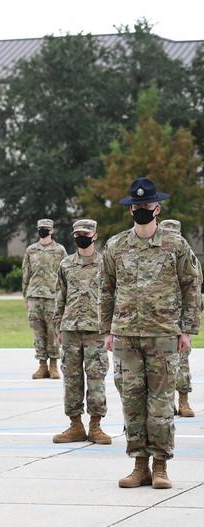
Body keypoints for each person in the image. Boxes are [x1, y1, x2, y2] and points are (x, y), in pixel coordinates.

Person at [101, 177, 200, 490]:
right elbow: (105, 289)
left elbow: (192, 286)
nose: (142, 209)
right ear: (131, 210)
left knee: (160, 405)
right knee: (132, 403)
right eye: (137, 205)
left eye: (147, 204)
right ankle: (138, 465)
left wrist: (187, 329)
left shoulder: (175, 245)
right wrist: (106, 330)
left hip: (163, 336)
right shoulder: (116, 246)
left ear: (157, 207)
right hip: (126, 337)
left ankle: (160, 467)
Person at [52, 220, 110, 445]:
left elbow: (112, 295)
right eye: (77, 234)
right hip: (70, 330)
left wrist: (110, 328)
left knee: (96, 378)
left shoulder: (105, 263)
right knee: (71, 379)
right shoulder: (66, 264)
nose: (80, 237)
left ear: (94, 236)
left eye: (85, 234)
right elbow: (61, 296)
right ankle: (75, 424)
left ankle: (96, 425)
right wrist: (59, 326)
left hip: (96, 330)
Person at [160, 218, 202, 418]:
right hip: (160, 320)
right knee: (161, 365)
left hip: (180, 320)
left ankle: (183, 400)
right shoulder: (156, 257)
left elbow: (195, 290)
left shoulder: (190, 258)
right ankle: (167, 403)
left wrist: (189, 322)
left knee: (182, 362)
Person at [22, 218, 67, 380]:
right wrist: (25, 296)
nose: (43, 230)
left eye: (46, 228)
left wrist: (64, 297)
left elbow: (64, 275)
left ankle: (54, 365)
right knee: (38, 332)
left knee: (53, 331)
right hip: (34, 295)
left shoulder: (59, 250)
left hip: (52, 296)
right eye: (41, 228)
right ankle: (42, 365)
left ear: (52, 230)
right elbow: (26, 274)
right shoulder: (31, 250)